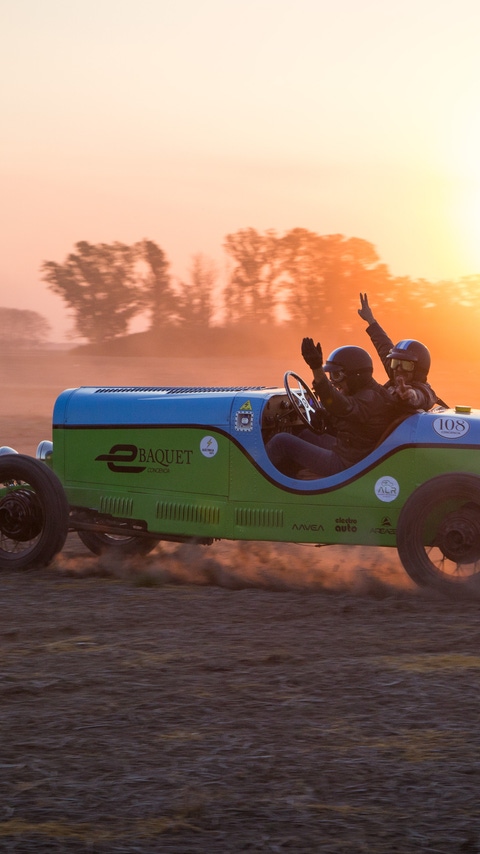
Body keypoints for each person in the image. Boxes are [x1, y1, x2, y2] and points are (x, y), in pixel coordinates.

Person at [266, 340, 397, 478]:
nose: (334, 382)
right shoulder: (371, 392)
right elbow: (351, 418)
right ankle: (297, 482)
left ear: (355, 376)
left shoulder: (369, 398)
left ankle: (252, 487)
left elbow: (339, 405)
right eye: (330, 376)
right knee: (306, 435)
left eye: (336, 375)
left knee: (281, 442)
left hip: (347, 464)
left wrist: (317, 369)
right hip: (353, 453)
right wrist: (327, 418)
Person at [358, 293, 447, 409]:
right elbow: (384, 346)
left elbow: (419, 396)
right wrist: (371, 320)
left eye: (406, 365)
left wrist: (409, 395)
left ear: (419, 369)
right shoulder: (396, 374)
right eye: (395, 363)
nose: (398, 369)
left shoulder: (425, 392)